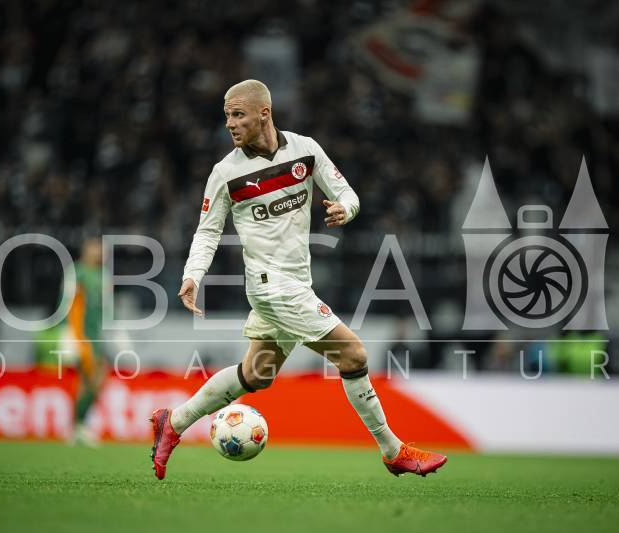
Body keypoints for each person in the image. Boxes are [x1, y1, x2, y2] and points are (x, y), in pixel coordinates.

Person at [151, 80, 447, 479]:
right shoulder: (226, 172)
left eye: (238, 115)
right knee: (354, 355)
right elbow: (208, 231)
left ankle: (173, 422)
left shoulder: (305, 150)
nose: (230, 124)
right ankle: (394, 451)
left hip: (297, 282)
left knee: (256, 374)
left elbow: (348, 194)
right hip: (270, 287)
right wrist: (192, 275)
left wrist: (345, 210)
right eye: (227, 116)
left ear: (264, 114)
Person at [64, 237, 107, 446]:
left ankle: (78, 426)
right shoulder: (78, 272)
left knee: (96, 380)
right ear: (86, 250)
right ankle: (78, 425)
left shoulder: (103, 274)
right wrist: (69, 332)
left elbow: (106, 307)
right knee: (90, 380)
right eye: (95, 248)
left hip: (97, 334)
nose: (99, 252)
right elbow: (66, 303)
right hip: (81, 335)